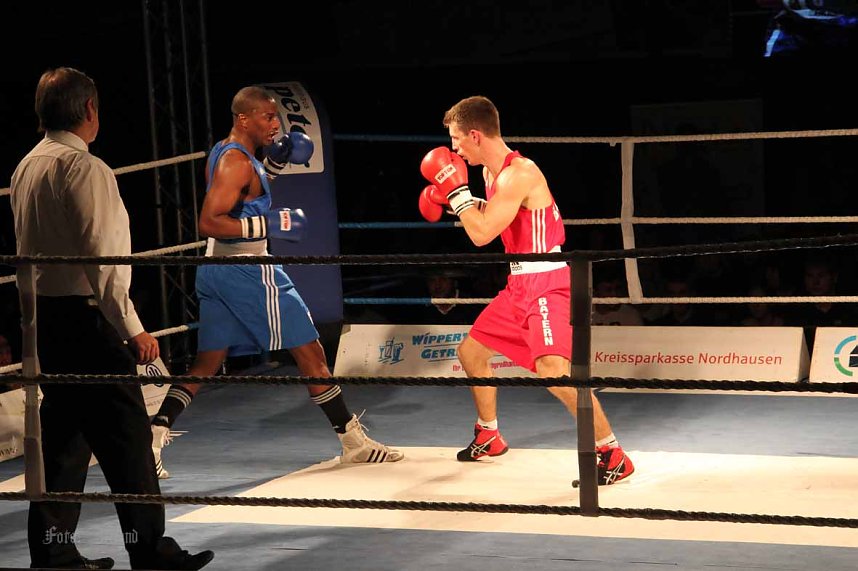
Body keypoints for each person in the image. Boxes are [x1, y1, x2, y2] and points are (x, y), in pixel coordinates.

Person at [10, 67, 213, 570]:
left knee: (65, 440)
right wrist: (133, 328)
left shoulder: (27, 166)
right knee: (127, 441)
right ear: (89, 111)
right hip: (88, 320)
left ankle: (53, 554)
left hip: (46, 321)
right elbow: (102, 261)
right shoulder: (85, 168)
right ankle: (150, 551)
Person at [150, 85, 402, 479]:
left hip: (216, 269)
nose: (275, 125)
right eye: (268, 117)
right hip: (249, 271)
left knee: (207, 361)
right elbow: (208, 221)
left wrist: (274, 164)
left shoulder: (228, 153)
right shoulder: (236, 164)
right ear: (244, 118)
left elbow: (240, 199)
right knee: (311, 351)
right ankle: (353, 443)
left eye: (277, 118)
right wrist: (268, 222)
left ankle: (154, 435)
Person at [418, 95, 633, 486]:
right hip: (518, 283)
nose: (453, 149)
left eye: (456, 139)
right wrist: (455, 203)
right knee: (471, 352)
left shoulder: (521, 173)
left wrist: (453, 193)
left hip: (547, 283)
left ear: (475, 134)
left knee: (556, 374)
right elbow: (495, 217)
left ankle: (612, 453)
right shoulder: (489, 174)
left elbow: (482, 234)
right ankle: (489, 434)